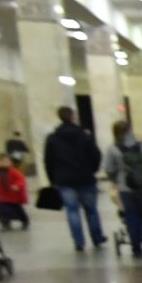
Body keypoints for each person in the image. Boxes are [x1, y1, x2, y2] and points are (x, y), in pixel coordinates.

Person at [43, 105, 105, 251]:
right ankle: (97, 238)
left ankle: (79, 242)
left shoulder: (52, 138)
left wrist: (53, 179)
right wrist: (93, 170)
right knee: (91, 210)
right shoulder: (84, 135)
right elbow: (96, 154)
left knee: (72, 211)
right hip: (85, 178)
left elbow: (48, 161)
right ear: (73, 116)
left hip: (65, 180)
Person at [104, 120, 142, 256]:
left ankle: (136, 248)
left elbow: (108, 168)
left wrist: (116, 177)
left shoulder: (112, 149)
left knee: (131, 216)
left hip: (125, 188)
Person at [0, 153, 30, 229]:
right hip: (3, 195)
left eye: (7, 161)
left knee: (18, 210)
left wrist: (17, 185)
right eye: (3, 161)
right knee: (2, 210)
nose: (5, 163)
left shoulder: (14, 171)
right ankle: (5, 222)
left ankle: (24, 221)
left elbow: (21, 180)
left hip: (14, 195)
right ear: (0, 162)